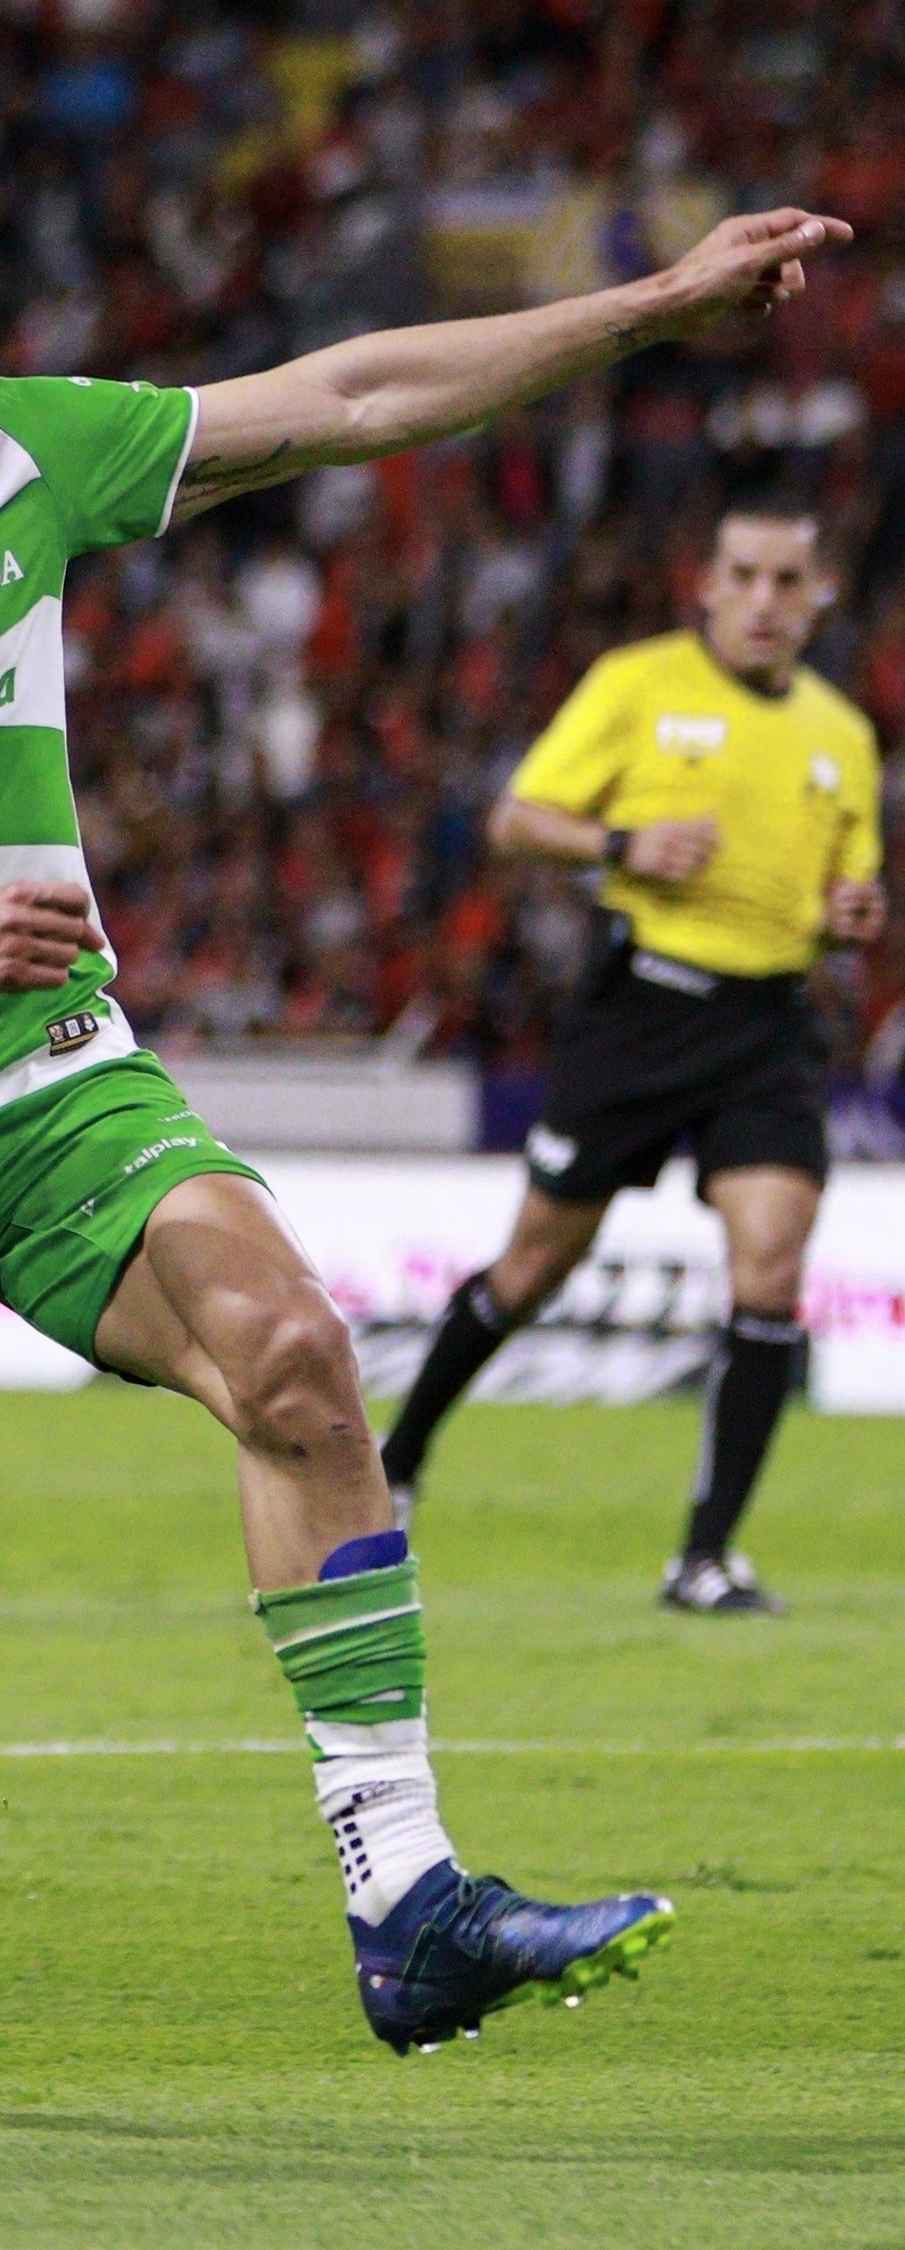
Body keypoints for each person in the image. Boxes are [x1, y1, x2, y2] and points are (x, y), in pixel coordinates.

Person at [0, 115, 829, 2115]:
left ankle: (402, 1897)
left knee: (295, 1358)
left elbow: (344, 397)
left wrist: (652, 308)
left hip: (46, 1093)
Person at [375, 500, 883, 1613]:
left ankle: (703, 1558)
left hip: (773, 1024)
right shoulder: (636, 686)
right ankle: (395, 1463)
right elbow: (516, 820)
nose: (762, 600)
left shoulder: (841, 735)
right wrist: (621, 844)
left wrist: (854, 908)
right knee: (535, 1264)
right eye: (743, 575)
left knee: (771, 1261)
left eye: (785, 581)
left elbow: (850, 883)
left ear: (817, 596)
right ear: (704, 583)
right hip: (643, 1010)